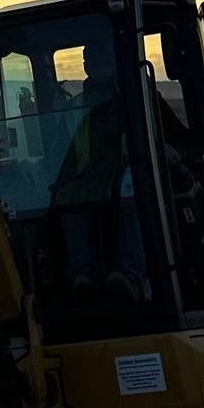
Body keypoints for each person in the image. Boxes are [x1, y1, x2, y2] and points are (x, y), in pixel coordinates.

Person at [52, 38, 149, 302]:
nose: (93, 64)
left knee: (131, 188)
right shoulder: (76, 108)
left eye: (101, 59)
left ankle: (126, 275)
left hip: (124, 176)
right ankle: (86, 275)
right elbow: (63, 155)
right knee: (67, 196)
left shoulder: (137, 102)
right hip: (91, 180)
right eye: (90, 59)